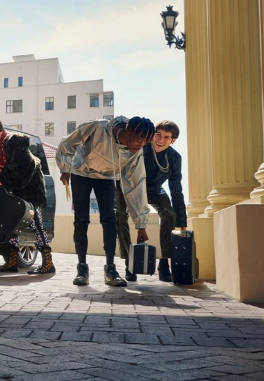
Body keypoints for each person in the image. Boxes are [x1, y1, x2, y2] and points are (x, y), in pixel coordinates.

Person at [56, 116, 154, 287]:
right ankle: (82, 269)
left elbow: (136, 185)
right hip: (81, 173)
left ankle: (110, 269)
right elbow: (68, 142)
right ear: (128, 130)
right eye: (138, 139)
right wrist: (65, 168)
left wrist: (141, 224)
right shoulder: (99, 127)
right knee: (81, 220)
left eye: (144, 142)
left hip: (107, 177)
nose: (140, 145)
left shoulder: (135, 153)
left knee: (109, 220)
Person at [117, 120, 187, 283]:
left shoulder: (175, 159)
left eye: (166, 137)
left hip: (153, 190)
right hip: (128, 185)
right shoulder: (141, 146)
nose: (160, 140)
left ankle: (164, 263)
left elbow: (176, 190)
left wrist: (181, 221)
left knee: (169, 213)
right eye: (158, 134)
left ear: (173, 141)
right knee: (120, 214)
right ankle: (130, 263)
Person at [0, 118, 53, 274]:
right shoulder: (3, 144)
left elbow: (21, 166)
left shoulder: (13, 141)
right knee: (12, 226)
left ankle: (48, 263)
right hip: (17, 193)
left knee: (37, 226)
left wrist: (3, 180)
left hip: (30, 192)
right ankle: (12, 262)